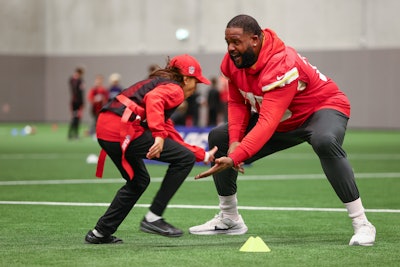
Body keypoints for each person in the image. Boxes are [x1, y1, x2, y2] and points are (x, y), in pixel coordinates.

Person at [189, 14, 376, 246]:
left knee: (324, 140)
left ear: (255, 39)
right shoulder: (233, 62)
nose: (231, 48)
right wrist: (235, 141)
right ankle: (229, 218)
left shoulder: (281, 63)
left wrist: (237, 156)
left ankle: (362, 223)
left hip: (319, 110)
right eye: (227, 42)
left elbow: (267, 121)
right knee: (220, 137)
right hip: (284, 118)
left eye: (236, 42)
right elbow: (238, 102)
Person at [85, 54, 215, 244]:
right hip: (120, 130)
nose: (196, 88)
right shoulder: (175, 90)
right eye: (196, 82)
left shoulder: (160, 84)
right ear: (186, 78)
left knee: (139, 181)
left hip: (107, 128)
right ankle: (153, 218)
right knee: (183, 159)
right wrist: (158, 134)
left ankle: (100, 233)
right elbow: (154, 100)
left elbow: (171, 134)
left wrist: (203, 155)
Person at [67, 67, 85, 140]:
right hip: (76, 103)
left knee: (75, 118)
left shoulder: (74, 80)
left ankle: (71, 134)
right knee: (76, 118)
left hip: (75, 102)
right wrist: (82, 102)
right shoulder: (76, 80)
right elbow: (78, 92)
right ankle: (73, 134)